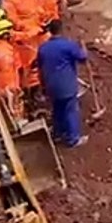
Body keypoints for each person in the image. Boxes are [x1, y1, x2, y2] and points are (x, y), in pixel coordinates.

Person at [34, 20, 88, 148]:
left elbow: (40, 68)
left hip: (51, 85)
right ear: (61, 30)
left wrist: (42, 85)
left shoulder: (43, 48)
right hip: (66, 84)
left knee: (57, 109)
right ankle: (73, 139)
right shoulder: (68, 45)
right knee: (70, 110)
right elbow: (83, 58)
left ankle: (57, 133)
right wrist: (83, 47)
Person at [2, 0, 47, 104]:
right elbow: (14, 21)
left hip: (39, 33)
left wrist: (44, 18)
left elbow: (36, 8)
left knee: (46, 58)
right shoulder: (9, 1)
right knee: (32, 65)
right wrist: (32, 29)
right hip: (26, 40)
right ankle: (34, 91)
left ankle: (46, 83)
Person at [0, 16, 25, 122]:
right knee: (15, 114)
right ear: (5, 34)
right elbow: (7, 73)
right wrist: (13, 90)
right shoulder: (6, 53)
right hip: (9, 88)